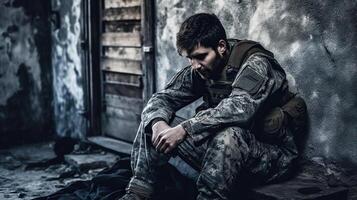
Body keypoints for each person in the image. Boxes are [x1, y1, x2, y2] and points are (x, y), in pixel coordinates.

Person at [119, 13, 306, 200]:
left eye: (200, 57)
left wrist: (186, 128)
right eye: (190, 58)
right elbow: (161, 99)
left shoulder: (256, 64)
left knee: (230, 135)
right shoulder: (202, 69)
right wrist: (158, 124)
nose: (195, 66)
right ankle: (137, 194)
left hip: (272, 157)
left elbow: (241, 108)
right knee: (153, 123)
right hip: (223, 153)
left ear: (221, 47)